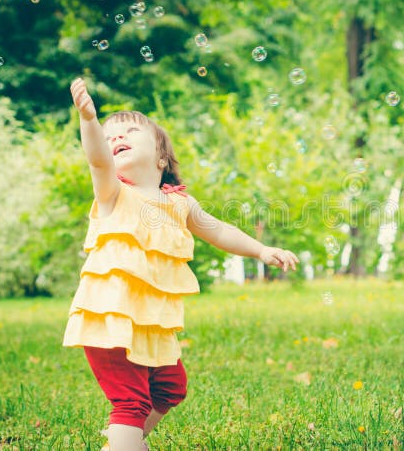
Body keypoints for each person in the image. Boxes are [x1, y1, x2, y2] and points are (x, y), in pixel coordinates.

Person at [64, 78, 300, 451]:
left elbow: (219, 231)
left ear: (161, 158)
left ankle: (125, 441)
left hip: (152, 322)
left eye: (128, 132)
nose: (115, 139)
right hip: (109, 316)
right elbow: (96, 158)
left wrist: (260, 250)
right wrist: (89, 120)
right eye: (110, 136)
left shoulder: (179, 204)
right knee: (131, 401)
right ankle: (126, 440)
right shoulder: (112, 192)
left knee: (172, 387)